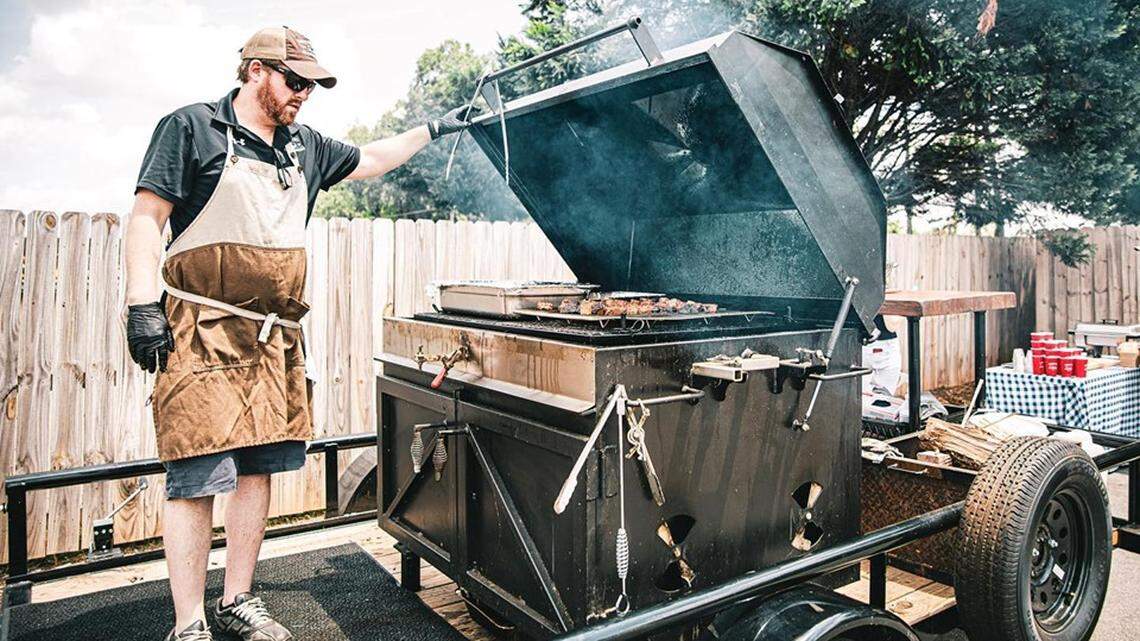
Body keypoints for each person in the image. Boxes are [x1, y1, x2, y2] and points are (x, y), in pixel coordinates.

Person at [123, 26, 475, 641]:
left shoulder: (305, 146)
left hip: (273, 339)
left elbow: (372, 159)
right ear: (256, 70)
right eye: (295, 80)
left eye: (312, 84)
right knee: (196, 476)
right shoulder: (191, 128)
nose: (304, 94)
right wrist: (139, 303)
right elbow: (147, 217)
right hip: (203, 330)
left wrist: (435, 128)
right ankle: (188, 624)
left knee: (257, 472)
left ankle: (237, 599)